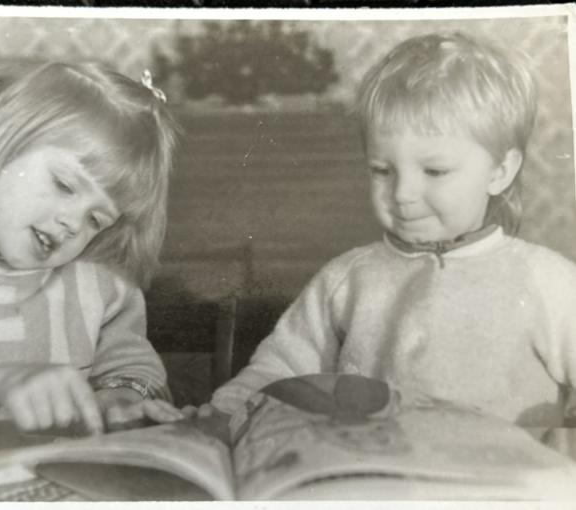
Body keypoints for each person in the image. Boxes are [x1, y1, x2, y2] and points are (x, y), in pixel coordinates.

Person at [206, 32, 576, 428]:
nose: (402, 193)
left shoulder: (547, 281)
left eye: (434, 171)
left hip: (502, 466)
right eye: (382, 170)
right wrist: (221, 413)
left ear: (500, 171)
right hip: (373, 462)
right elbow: (277, 369)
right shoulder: (347, 279)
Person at [0, 63, 186, 464]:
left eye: (96, 220)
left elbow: (136, 370)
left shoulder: (99, 287)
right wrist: (2, 384)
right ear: (3, 145)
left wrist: (119, 400)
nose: (73, 223)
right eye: (64, 185)